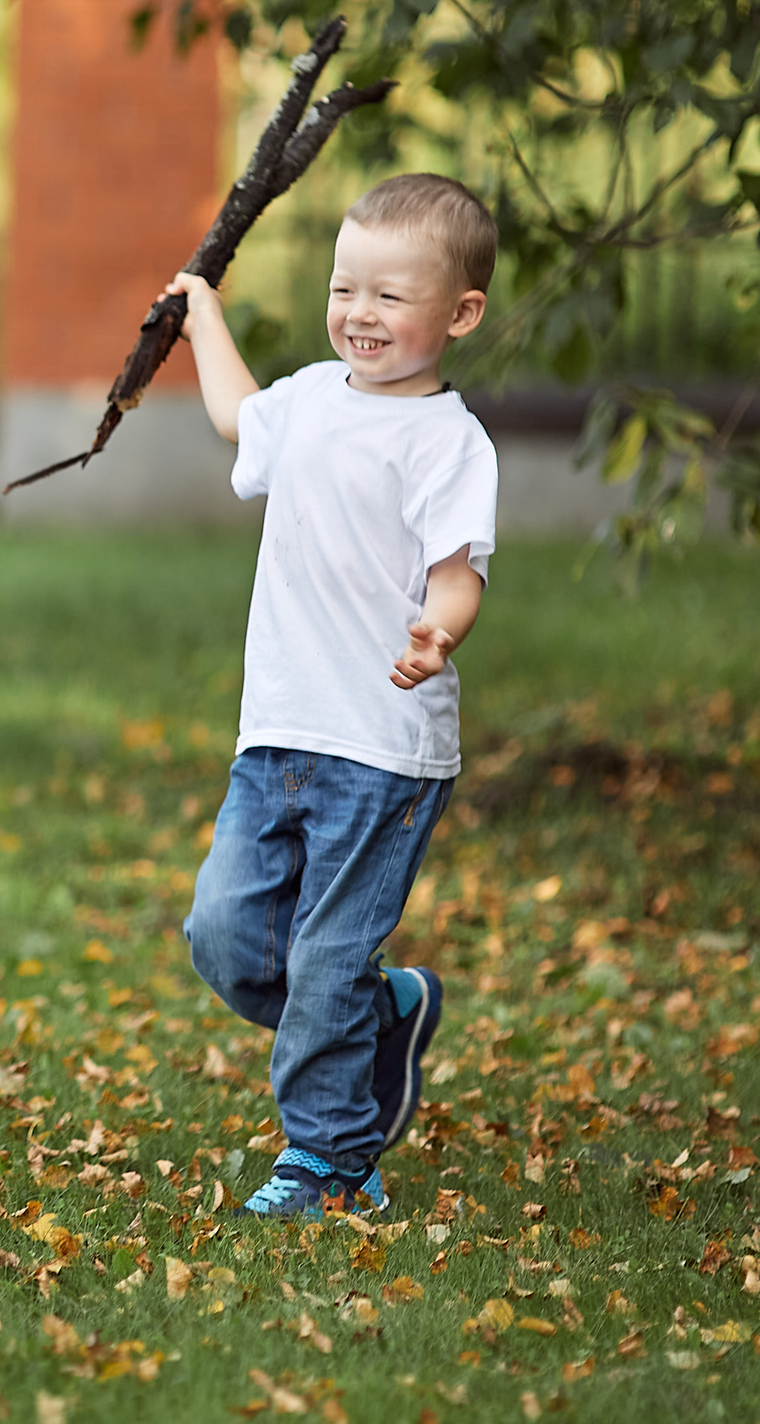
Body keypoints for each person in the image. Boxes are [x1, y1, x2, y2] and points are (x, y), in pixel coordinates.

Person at [165, 172, 498, 1218]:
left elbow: (458, 570)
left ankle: (332, 1163)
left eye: (390, 297)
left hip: (384, 746)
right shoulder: (309, 396)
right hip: (277, 732)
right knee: (223, 937)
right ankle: (382, 1009)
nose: (359, 312)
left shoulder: (446, 440)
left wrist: (439, 630)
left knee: (322, 960)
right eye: (345, 288)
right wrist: (204, 317)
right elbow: (235, 420)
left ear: (459, 313)